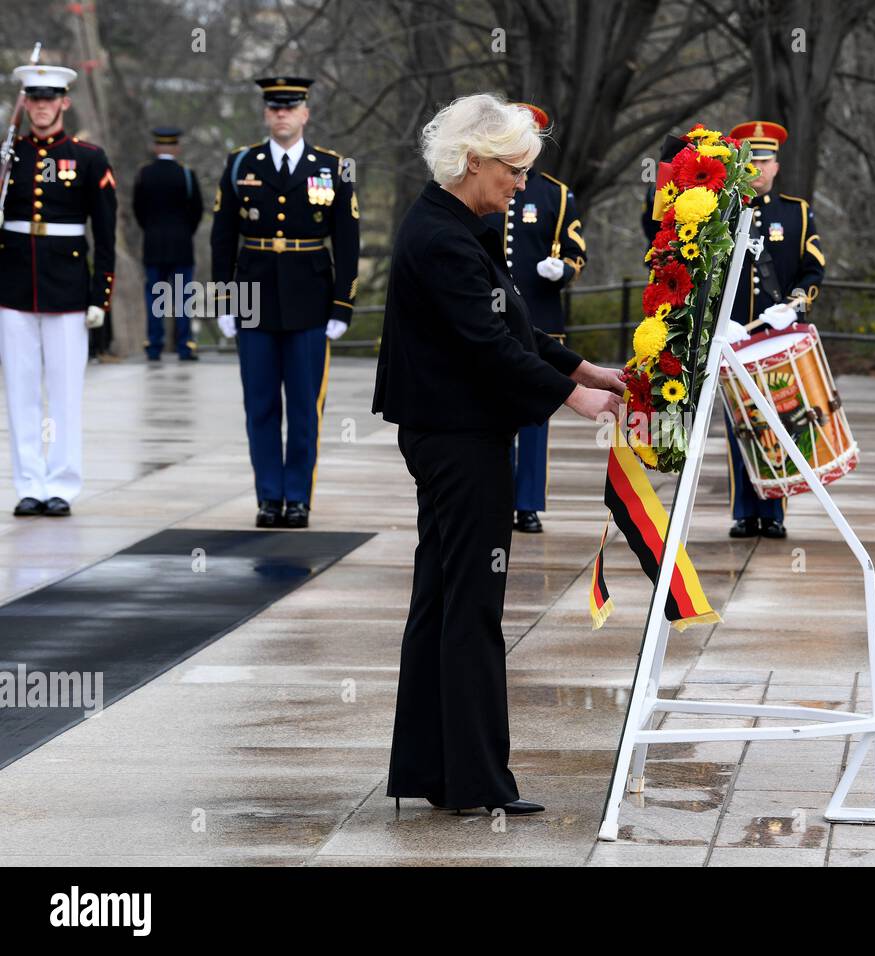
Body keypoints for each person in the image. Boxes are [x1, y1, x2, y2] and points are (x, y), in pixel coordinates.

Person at [372, 93, 623, 815]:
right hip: (456, 437)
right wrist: (572, 400)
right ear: (473, 161)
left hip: (455, 431)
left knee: (445, 600)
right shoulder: (443, 238)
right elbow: (486, 348)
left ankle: (436, 771)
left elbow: (509, 324)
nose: (521, 185)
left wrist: (581, 370)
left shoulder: (453, 225)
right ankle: (474, 780)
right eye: (513, 171)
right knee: (471, 605)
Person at [210, 76, 360, 528]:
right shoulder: (241, 164)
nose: (282, 114)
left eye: (290, 107)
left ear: (305, 113)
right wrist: (223, 300)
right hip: (253, 298)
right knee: (259, 406)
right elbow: (222, 238)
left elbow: (348, 241)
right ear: (265, 113)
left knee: (303, 407)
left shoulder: (333, 167)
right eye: (274, 107)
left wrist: (342, 306)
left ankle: (297, 497)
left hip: (310, 301)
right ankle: (268, 497)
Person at [0, 62, 115, 518]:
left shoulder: (88, 157)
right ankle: (29, 483)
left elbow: (104, 235)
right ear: (24, 103)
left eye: (49, 99)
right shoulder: (10, 156)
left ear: (64, 102)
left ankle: (62, 485)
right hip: (13, 284)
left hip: (68, 287)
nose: (41, 107)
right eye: (34, 99)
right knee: (20, 389)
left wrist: (99, 296)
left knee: (65, 392)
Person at [481, 102, 587, 534]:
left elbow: (576, 250)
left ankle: (527, 502)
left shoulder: (555, 194)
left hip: (541, 317)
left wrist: (562, 269)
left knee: (535, 417)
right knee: (495, 410)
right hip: (492, 316)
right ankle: (498, 494)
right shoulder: (487, 187)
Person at [722, 120, 824, 539]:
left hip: (777, 337)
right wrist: (718, 319)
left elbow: (813, 267)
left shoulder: (797, 212)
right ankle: (744, 513)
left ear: (776, 166)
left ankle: (774, 512)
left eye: (764, 161)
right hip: (736, 336)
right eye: (751, 160)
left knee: (780, 419)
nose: (758, 169)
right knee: (739, 424)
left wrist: (796, 303)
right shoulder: (722, 213)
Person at [133, 126, 203, 361]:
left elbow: (138, 209)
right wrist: (185, 232)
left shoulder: (145, 173)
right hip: (182, 245)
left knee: (155, 298)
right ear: (177, 148)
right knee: (183, 299)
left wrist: (151, 230)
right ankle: (184, 346)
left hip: (153, 244)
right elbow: (197, 210)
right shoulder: (185, 174)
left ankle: (154, 346)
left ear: (155, 147)